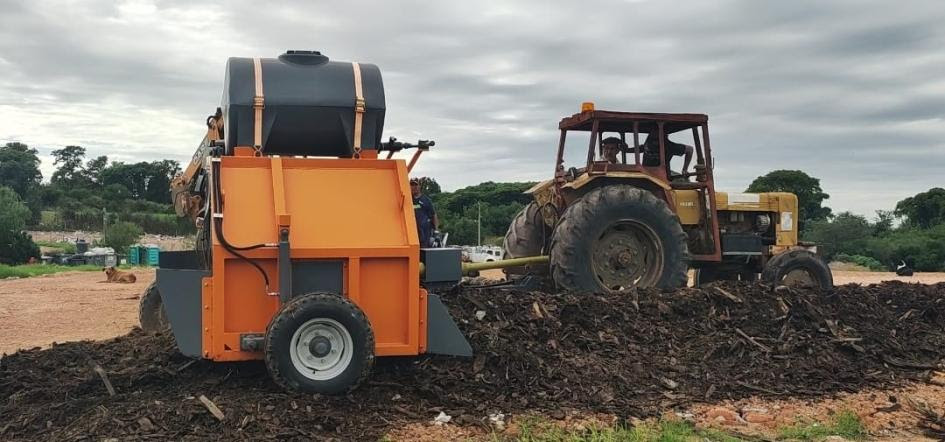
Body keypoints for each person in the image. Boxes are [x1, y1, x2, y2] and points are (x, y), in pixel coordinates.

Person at [410, 177, 439, 248]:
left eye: (416, 185)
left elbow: (433, 215)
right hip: (412, 232)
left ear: (419, 186)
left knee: (424, 250)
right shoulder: (408, 199)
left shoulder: (426, 200)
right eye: (412, 185)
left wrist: (436, 230)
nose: (414, 187)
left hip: (425, 232)